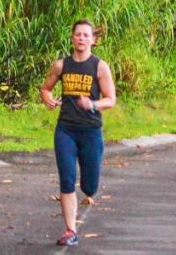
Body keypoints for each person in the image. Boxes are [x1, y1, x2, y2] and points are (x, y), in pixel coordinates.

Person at [40, 19, 117, 247]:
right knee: (66, 179)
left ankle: (89, 188)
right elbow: (45, 88)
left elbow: (111, 99)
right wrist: (49, 100)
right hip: (66, 129)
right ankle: (70, 230)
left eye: (86, 35)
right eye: (78, 35)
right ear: (72, 38)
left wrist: (92, 104)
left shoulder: (99, 67)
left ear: (93, 40)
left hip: (91, 131)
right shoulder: (61, 65)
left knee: (89, 186)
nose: (81, 38)